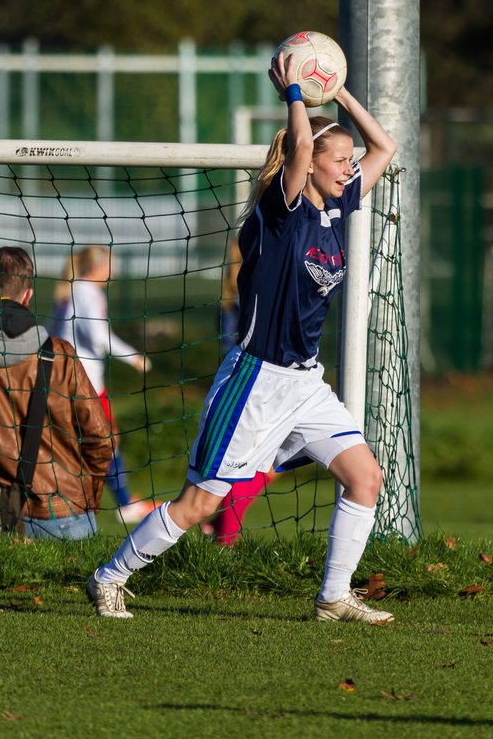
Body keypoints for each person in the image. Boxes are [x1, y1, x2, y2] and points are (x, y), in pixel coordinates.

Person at [86, 53, 399, 623]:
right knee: (199, 502)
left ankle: (333, 598)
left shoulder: (336, 208)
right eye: (340, 161)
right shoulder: (277, 214)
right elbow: (302, 149)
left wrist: (342, 92)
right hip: (255, 380)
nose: (352, 169)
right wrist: (298, 96)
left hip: (304, 384)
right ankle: (109, 577)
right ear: (309, 167)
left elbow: (386, 149)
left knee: (365, 476)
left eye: (350, 163)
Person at [0, 247, 114, 540]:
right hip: (65, 514)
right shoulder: (61, 354)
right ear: (27, 295)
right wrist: (85, 499)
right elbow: (101, 438)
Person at [50, 246, 156, 523]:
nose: (114, 268)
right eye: (110, 263)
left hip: (68, 380)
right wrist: (134, 359)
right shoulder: (86, 292)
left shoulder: (73, 291)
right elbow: (98, 336)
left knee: (94, 439)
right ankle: (122, 504)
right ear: (97, 266)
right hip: (84, 384)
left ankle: (118, 500)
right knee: (104, 439)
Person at [205, 237, 276, 546]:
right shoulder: (248, 299)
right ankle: (225, 537)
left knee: (261, 464)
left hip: (245, 387)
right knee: (259, 464)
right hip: (257, 388)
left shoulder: (231, 303)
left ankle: (218, 524)